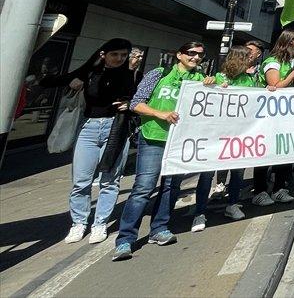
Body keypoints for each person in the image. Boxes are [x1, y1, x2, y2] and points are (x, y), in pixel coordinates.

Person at [113, 42, 207, 261]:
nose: (195, 58)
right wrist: (160, 113)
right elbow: (136, 103)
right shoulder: (159, 73)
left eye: (200, 55)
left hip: (180, 142)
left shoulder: (200, 80)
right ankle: (125, 239)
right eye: (191, 53)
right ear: (179, 54)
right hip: (154, 137)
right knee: (143, 188)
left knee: (171, 186)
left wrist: (212, 84)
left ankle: (159, 228)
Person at [44, 38, 135, 245]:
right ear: (103, 55)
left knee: (110, 180)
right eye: (115, 54)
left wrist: (130, 103)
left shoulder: (129, 74)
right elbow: (59, 80)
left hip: (116, 128)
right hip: (88, 128)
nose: (120, 59)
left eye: (123, 55)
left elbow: (139, 97)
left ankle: (100, 223)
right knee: (80, 181)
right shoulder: (89, 73)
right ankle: (78, 223)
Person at [191, 46, 259, 228]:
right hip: (215, 135)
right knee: (207, 174)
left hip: (239, 134)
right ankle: (199, 212)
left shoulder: (249, 80)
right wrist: (210, 86)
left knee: (237, 172)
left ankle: (232, 204)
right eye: (248, 59)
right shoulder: (218, 78)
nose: (251, 62)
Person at [251, 30, 294, 207]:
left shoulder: (290, 62)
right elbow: (275, 86)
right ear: (290, 41)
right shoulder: (272, 62)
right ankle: (260, 191)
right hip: (267, 116)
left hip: (284, 116)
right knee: (264, 154)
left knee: (285, 150)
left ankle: (279, 189)